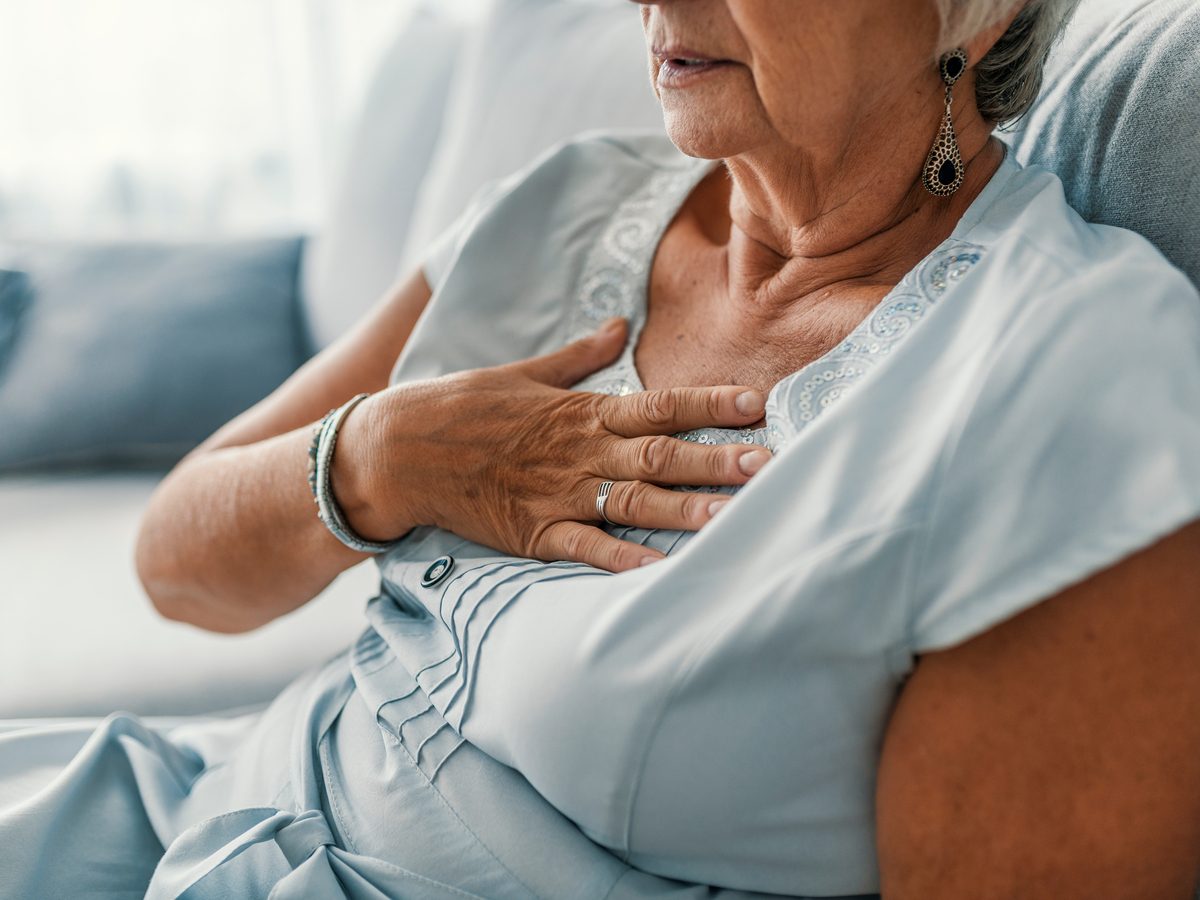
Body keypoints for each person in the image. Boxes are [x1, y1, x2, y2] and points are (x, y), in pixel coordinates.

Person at [4, 0, 1200, 897]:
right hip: (176, 812)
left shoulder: (1069, 379)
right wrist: (383, 455)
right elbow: (175, 566)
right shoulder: (564, 200)